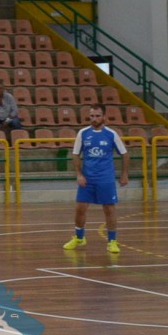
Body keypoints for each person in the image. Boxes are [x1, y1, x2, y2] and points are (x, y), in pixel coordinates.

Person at [66, 106, 130, 254]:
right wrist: (79, 174)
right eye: (92, 116)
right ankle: (79, 237)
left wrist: (124, 174)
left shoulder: (111, 134)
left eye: (97, 115)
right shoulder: (83, 133)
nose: (94, 119)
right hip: (88, 179)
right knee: (80, 208)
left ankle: (112, 241)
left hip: (105, 179)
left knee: (109, 209)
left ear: (104, 117)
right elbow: (76, 155)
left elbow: (125, 154)